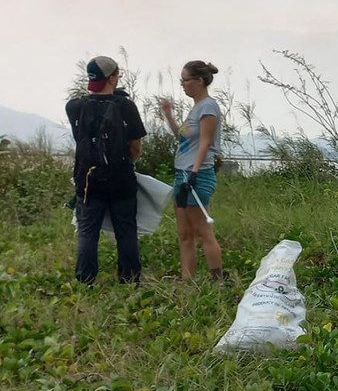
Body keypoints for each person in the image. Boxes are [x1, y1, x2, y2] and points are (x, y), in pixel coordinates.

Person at [66, 56, 146, 284]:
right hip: (121, 180)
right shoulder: (126, 106)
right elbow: (135, 147)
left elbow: (80, 139)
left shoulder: (74, 107)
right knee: (126, 231)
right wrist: (123, 164)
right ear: (112, 78)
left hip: (88, 180)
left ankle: (85, 281)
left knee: (88, 233)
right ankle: (130, 280)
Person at [159, 61, 224, 281]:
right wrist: (169, 115)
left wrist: (194, 173)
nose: (183, 85)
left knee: (203, 232)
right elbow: (183, 139)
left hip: (197, 175)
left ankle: (217, 280)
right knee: (184, 234)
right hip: (182, 174)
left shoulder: (208, 107)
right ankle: (187, 281)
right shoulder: (195, 109)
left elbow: (205, 142)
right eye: (182, 81)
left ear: (199, 81)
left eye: (185, 80)